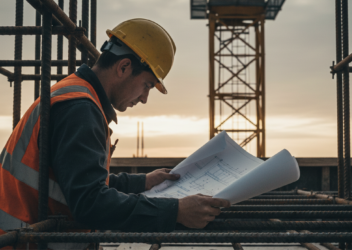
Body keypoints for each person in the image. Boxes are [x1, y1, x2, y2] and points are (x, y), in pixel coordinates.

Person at [0, 18, 230, 240]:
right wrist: (176, 211)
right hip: (22, 242)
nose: (144, 99)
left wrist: (142, 182)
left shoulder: (75, 96)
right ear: (124, 67)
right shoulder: (80, 109)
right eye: (147, 85)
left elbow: (77, 178)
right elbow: (90, 203)